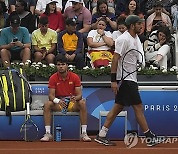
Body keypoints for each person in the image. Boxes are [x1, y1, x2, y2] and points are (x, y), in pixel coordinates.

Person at [94, 15, 165, 147]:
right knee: (138, 107)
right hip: (126, 79)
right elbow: (115, 59)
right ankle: (149, 137)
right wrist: (113, 81)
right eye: (139, 24)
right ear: (132, 25)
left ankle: (102, 134)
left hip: (131, 78)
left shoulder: (136, 38)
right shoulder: (123, 39)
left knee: (117, 107)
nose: (141, 26)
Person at [40, 55, 91, 142]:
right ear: (56, 66)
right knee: (47, 104)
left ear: (67, 65)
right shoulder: (53, 78)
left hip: (72, 103)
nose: (61, 66)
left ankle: (84, 133)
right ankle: (48, 133)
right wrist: (58, 101)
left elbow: (79, 95)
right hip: (59, 103)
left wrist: (74, 98)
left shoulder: (75, 77)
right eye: (59, 64)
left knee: (82, 102)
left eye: (63, 64)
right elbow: (51, 96)